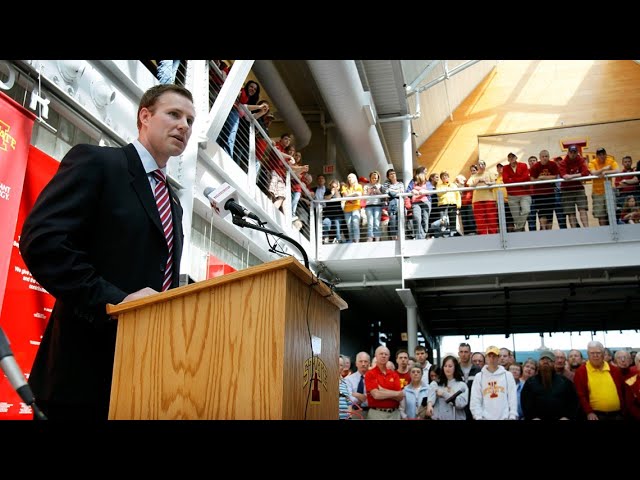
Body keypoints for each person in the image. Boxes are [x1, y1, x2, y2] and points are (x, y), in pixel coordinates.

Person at [19, 84, 196, 420]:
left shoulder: (173, 202)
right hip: (81, 377)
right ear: (144, 116)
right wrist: (114, 301)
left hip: (143, 379)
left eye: (190, 120)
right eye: (174, 114)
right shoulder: (98, 163)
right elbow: (44, 241)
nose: (184, 126)